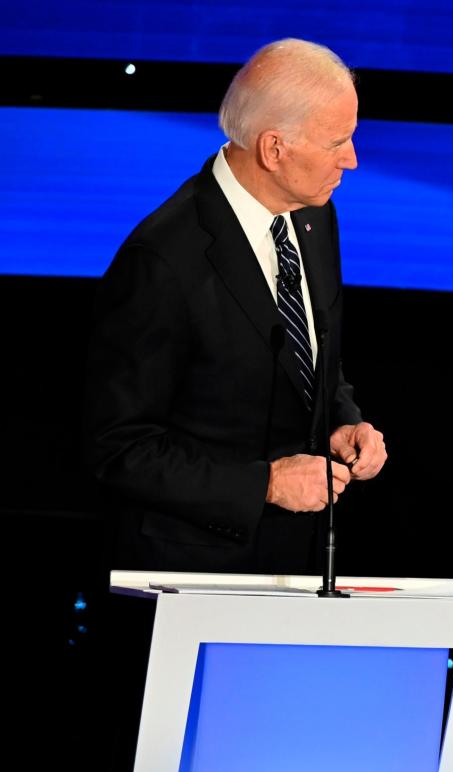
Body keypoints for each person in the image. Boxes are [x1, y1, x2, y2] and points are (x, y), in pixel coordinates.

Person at [85, 38, 387, 575]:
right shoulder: (163, 259)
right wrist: (266, 484)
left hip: (300, 560)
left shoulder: (316, 219)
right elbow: (117, 447)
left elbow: (312, 360)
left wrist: (343, 421)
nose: (353, 159)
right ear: (274, 149)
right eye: (337, 141)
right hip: (193, 572)